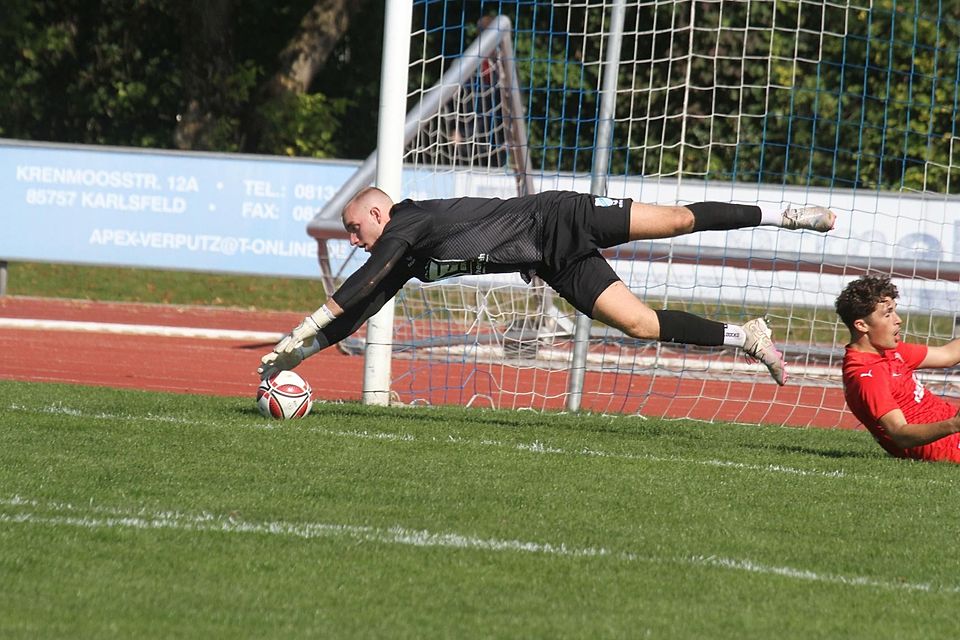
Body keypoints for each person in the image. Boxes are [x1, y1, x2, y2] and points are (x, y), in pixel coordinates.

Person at [259, 188, 837, 385]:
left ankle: (785, 215)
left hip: (560, 217)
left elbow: (360, 283)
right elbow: (363, 305)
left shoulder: (405, 224)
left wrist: (302, 326)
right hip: (550, 257)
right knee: (637, 324)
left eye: (356, 228)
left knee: (680, 220)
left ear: (380, 214)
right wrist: (299, 355)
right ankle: (747, 336)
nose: (355, 239)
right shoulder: (406, 253)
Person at [835, 274, 960, 463]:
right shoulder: (867, 376)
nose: (898, 320)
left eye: (895, 311)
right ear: (862, 325)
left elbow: (947, 355)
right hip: (949, 447)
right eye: (887, 314)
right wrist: (954, 425)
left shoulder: (887, 351)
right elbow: (900, 434)